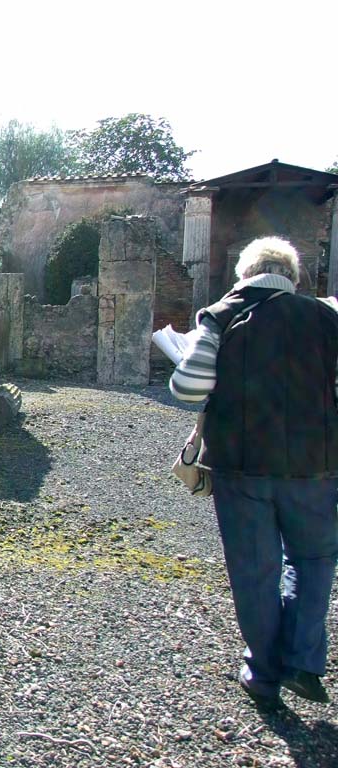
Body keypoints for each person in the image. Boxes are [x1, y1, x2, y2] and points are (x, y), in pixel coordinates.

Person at [170, 236, 338, 706]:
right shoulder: (328, 318)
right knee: (313, 561)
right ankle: (302, 660)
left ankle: (264, 672)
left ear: (244, 274)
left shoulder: (222, 314)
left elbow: (187, 387)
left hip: (242, 466)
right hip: (317, 466)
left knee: (254, 570)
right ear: (293, 278)